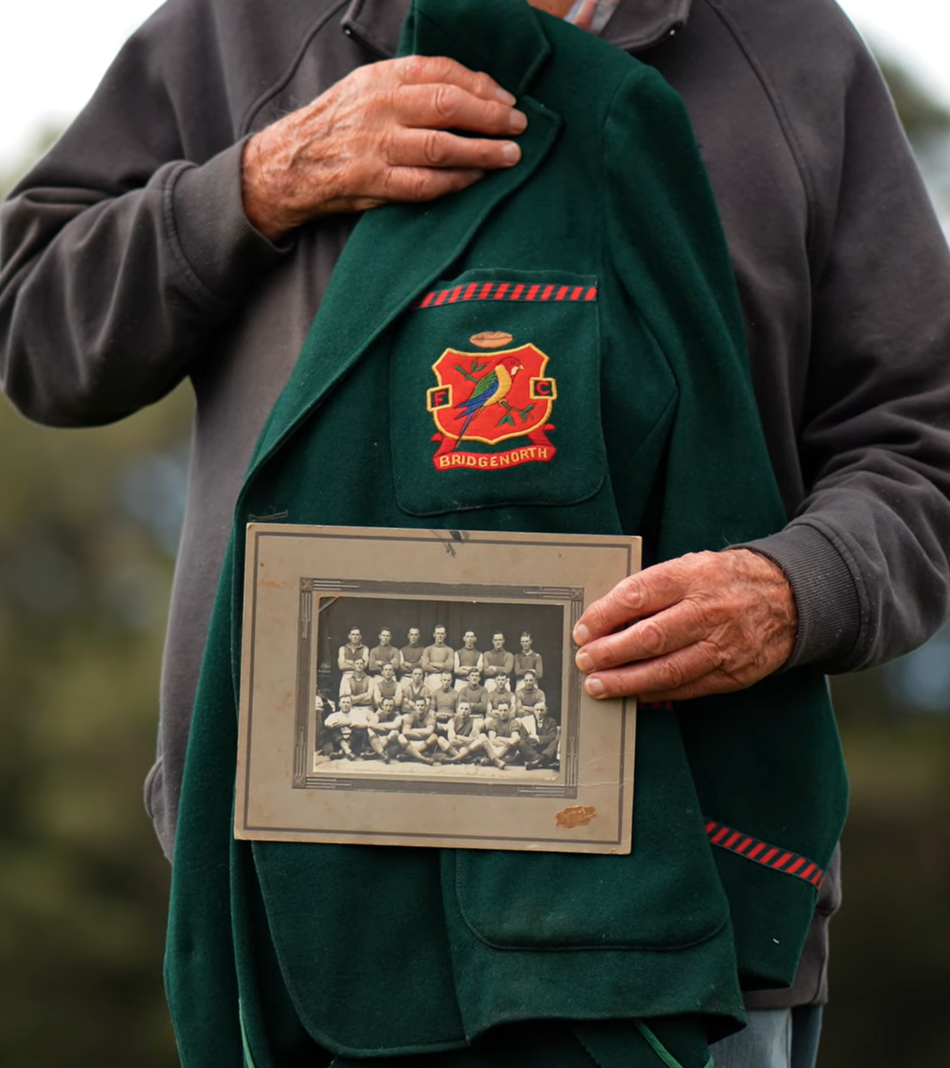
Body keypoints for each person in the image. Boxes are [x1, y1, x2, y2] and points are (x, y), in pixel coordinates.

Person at [3, 0, 950, 1065]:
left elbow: (919, 443)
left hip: (698, 906)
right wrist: (257, 182)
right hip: (300, 889)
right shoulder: (240, 26)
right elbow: (35, 323)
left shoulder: (793, 47)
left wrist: (793, 592)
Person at [421, 624, 454, 689]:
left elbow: (449, 667)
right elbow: (425, 666)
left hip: (444, 679)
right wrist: (442, 666)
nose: (440, 636)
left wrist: (432, 663)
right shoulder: (427, 649)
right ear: (434, 634)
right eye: (438, 633)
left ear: (445, 635)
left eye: (442, 634)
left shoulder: (449, 650)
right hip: (430, 678)